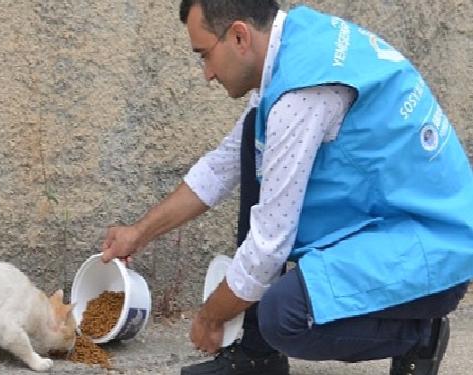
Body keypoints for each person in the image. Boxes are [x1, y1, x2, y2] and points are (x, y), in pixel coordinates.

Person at [100, 1, 473, 374]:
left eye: (205, 55)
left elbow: (268, 247)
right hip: (399, 221)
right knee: (252, 138)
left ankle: (420, 335)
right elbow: (220, 167)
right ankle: (257, 358)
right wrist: (139, 233)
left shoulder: (301, 97)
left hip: (435, 252)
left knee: (284, 315)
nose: (207, 74)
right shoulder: (296, 43)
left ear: (239, 36)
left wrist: (212, 316)